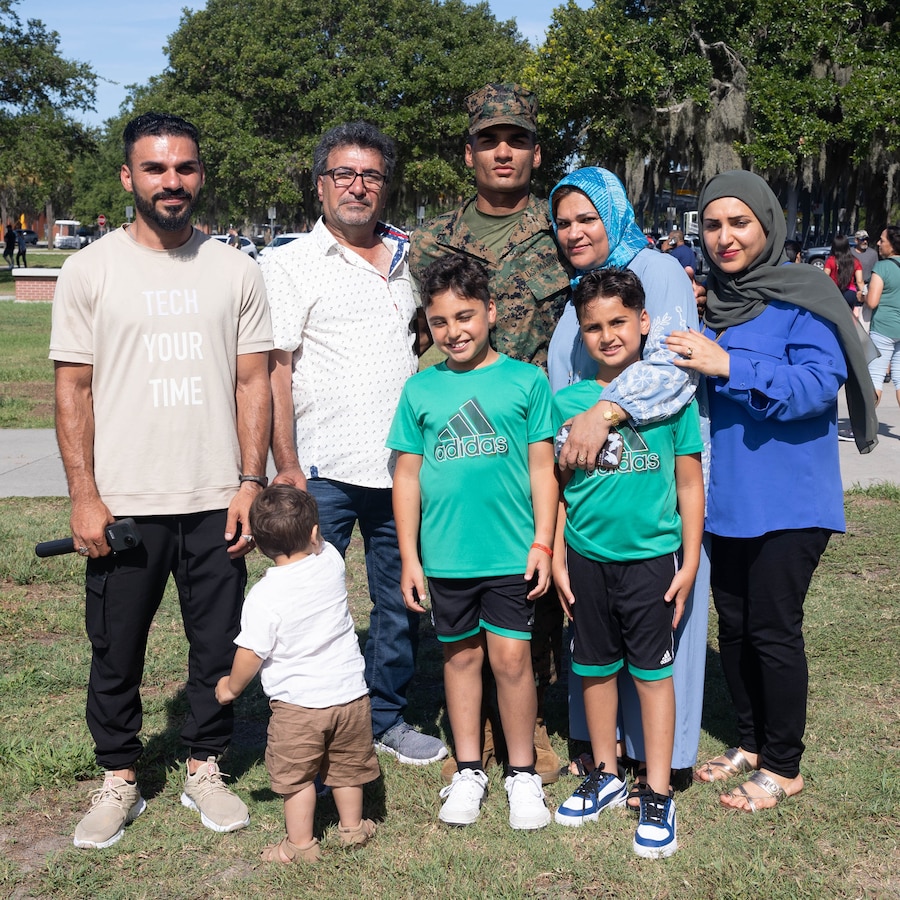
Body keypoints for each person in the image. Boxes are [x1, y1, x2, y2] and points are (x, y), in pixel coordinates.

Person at [50, 112, 273, 848]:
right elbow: (72, 390)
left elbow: (253, 384)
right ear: (129, 177)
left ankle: (203, 766)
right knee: (117, 649)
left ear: (200, 174)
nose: (170, 181)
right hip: (124, 503)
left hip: (217, 498)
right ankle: (119, 777)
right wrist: (84, 494)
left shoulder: (236, 270)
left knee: (217, 646)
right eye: (155, 168)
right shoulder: (91, 269)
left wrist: (249, 481)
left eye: (183, 167)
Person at [665, 169, 877, 812]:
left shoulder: (805, 295)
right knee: (735, 626)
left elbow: (816, 386)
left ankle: (784, 766)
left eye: (739, 223)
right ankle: (751, 744)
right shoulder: (715, 302)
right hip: (725, 500)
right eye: (712, 224)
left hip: (788, 500)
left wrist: (728, 363)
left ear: (767, 225)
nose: (725, 237)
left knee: (773, 629)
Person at [263, 121, 447, 766]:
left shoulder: (406, 263)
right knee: (312, 602)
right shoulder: (288, 265)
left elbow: (423, 341)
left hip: (400, 469)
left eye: (370, 175)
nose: (357, 186)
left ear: (385, 186)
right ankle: (307, 721)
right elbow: (276, 368)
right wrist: (285, 465)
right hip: (324, 467)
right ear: (320, 185)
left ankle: (387, 715)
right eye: (344, 174)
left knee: (400, 603)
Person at [410, 83, 571, 783]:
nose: (502, 151)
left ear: (535, 151)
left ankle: (527, 732)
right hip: (465, 447)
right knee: (461, 595)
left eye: (516, 139)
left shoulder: (566, 231)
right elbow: (420, 342)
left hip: (542, 436)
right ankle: (468, 740)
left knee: (535, 593)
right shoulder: (431, 242)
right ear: (468, 151)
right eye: (488, 139)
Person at [546, 166, 708, 796]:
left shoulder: (655, 269)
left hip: (646, 500)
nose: (575, 231)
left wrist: (602, 413)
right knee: (597, 644)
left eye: (588, 217)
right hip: (587, 501)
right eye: (564, 222)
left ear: (613, 212)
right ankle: (606, 756)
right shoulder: (584, 285)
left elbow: (673, 364)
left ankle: (657, 764)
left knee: (656, 644)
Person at [388, 254, 558, 830]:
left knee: (512, 660)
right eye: (440, 322)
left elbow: (542, 470)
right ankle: (467, 768)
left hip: (511, 552)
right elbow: (407, 476)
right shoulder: (420, 390)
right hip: (446, 555)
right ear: (428, 328)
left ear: (489, 313)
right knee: (460, 658)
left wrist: (543, 543)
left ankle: (523, 773)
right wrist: (411, 557)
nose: (454, 331)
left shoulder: (527, 382)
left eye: (465, 316)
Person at [216, 486, 380, 863]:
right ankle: (352, 828)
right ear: (313, 533)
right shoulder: (332, 561)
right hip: (350, 696)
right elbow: (321, 545)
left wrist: (230, 688)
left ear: (256, 544)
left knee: (300, 779)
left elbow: (250, 653)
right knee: (346, 770)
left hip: (298, 707)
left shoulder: (263, 596)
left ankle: (300, 846)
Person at [864, 225, 900, 409]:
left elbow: (872, 302)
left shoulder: (882, 267)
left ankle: (865, 427)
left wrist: (862, 295)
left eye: (882, 240)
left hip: (884, 329)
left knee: (875, 377)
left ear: (892, 245)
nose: (878, 243)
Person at [824, 235, 864, 309]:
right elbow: (860, 281)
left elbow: (825, 278)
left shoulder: (830, 260)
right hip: (850, 293)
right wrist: (864, 295)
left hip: (834, 293)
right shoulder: (855, 261)